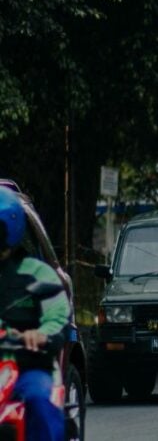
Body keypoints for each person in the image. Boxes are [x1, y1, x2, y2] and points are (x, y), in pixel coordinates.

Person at [0, 187, 69, 441]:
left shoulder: (39, 274)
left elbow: (58, 316)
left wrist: (40, 335)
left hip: (27, 367)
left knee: (40, 401)